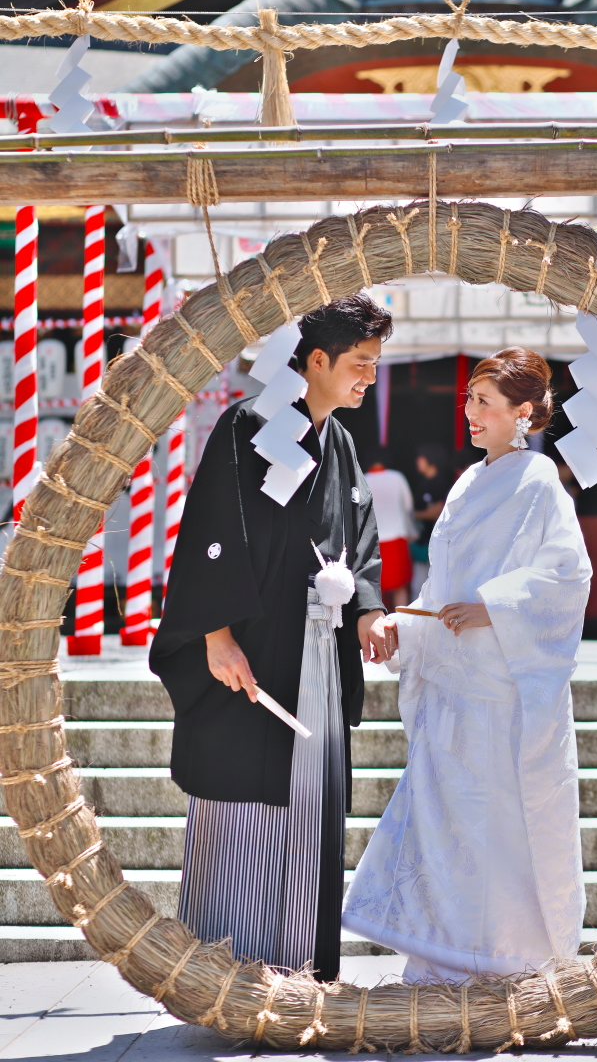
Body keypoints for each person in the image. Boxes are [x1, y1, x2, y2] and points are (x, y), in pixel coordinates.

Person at [149, 294, 396, 982]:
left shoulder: (340, 442)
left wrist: (369, 610)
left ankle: (299, 968)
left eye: (375, 365)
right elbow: (209, 536)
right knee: (243, 802)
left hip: (317, 652)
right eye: (359, 363)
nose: (368, 377)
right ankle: (226, 975)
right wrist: (215, 634)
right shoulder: (249, 427)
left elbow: (362, 539)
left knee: (309, 797)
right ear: (315, 361)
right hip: (251, 652)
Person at [343, 347, 591, 982]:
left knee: (498, 826)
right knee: (448, 823)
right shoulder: (466, 482)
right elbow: (442, 592)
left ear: (524, 413)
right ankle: (445, 956)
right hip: (455, 685)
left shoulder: (539, 481)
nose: (470, 413)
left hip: (503, 689)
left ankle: (505, 960)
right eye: (469, 400)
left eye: (484, 402)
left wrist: (493, 606)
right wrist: (406, 624)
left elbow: (567, 574)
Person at [364, 446, 416, 612]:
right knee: (399, 586)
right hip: (397, 538)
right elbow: (409, 506)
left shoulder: (362, 480)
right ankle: (403, 624)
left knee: (375, 589)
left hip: (372, 542)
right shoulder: (397, 477)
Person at [410, 443, 452, 595]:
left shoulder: (442, 482)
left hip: (439, 542)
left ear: (429, 459)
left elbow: (438, 511)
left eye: (421, 458)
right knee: (419, 587)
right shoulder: (422, 483)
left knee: (437, 587)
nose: (417, 461)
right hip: (422, 543)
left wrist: (414, 515)